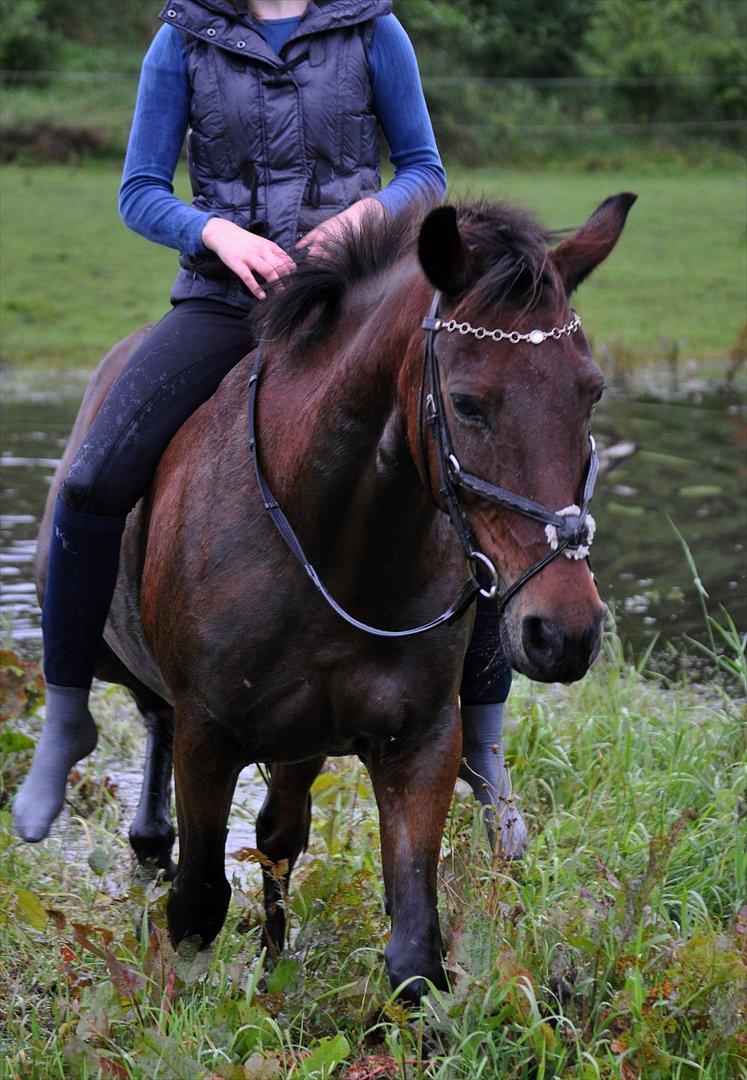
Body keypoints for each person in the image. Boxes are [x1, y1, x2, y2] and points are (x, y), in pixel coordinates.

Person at [13, 0, 523, 854]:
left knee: (460, 471)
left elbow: (422, 170)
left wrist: (358, 222)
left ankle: (481, 741)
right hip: (227, 299)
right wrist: (216, 232)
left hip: (353, 305)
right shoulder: (180, 37)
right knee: (93, 481)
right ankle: (66, 715)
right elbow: (139, 191)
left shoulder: (374, 29)